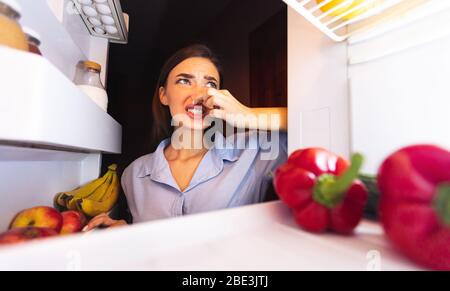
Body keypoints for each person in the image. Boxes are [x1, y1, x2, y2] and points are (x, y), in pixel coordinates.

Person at [84, 44, 288, 231]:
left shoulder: (255, 150)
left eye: (210, 84)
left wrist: (248, 114)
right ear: (163, 95)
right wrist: (128, 232)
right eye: (184, 81)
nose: (200, 94)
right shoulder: (134, 174)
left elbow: (316, 118)